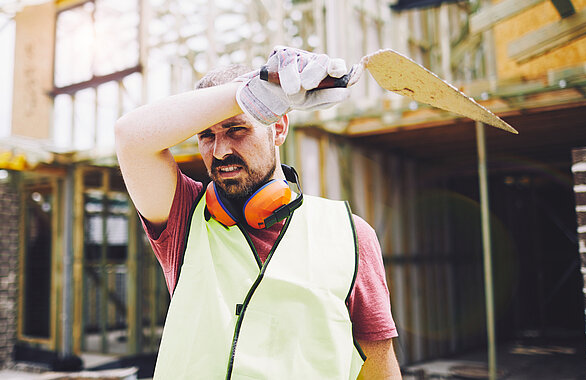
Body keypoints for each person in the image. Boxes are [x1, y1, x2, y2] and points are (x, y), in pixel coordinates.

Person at [115, 47, 401, 379]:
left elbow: (380, 369)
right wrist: (254, 88)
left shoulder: (350, 235)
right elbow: (130, 137)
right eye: (207, 135)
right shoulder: (185, 217)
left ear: (278, 129)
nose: (220, 151)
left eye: (237, 130)